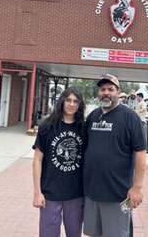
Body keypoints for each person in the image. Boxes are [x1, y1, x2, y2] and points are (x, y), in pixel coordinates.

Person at [83, 74, 146, 237]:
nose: (106, 92)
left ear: (119, 92)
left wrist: (137, 188)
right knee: (94, 233)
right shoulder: (93, 116)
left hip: (117, 193)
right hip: (91, 191)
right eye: (102, 89)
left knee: (115, 234)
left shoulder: (130, 117)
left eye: (111, 89)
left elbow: (140, 152)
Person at [32, 86, 86, 237]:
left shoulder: (83, 128)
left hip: (75, 194)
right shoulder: (47, 126)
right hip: (50, 194)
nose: (71, 104)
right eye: (68, 100)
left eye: (76, 101)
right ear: (62, 101)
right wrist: (37, 192)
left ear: (80, 104)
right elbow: (37, 160)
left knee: (74, 234)